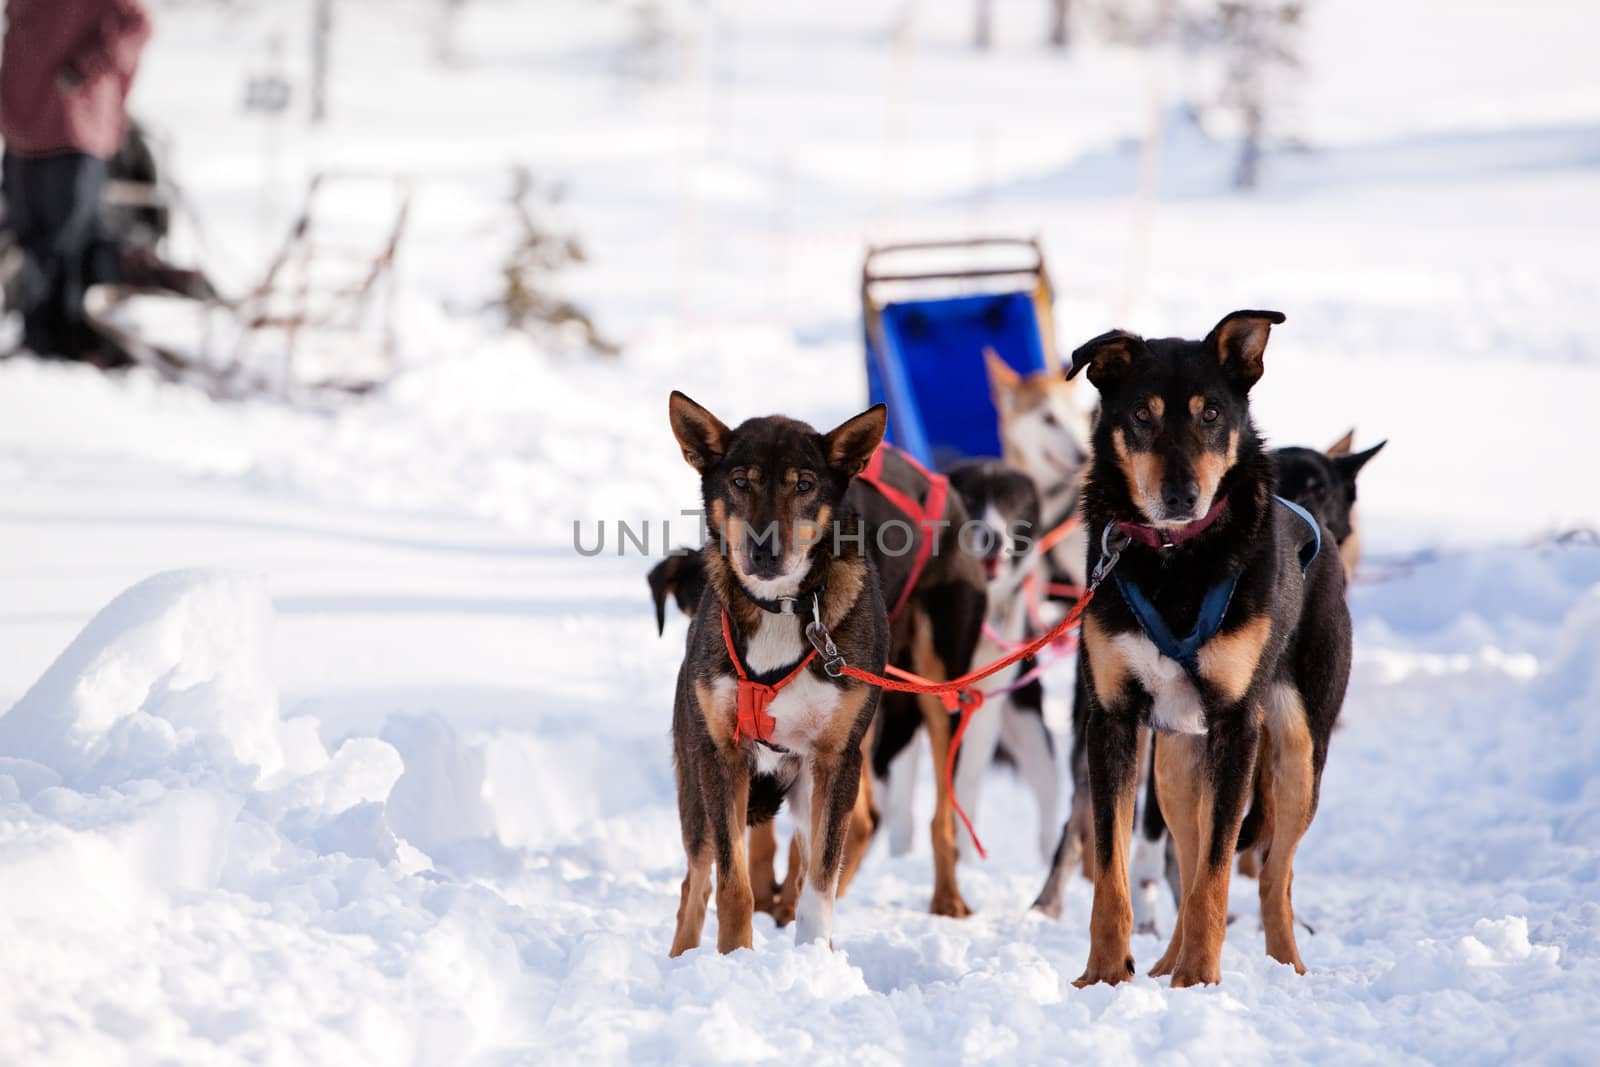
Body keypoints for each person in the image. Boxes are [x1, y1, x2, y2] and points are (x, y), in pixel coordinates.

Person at [0, 0, 152, 361]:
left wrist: (85, 67)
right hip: (22, 125)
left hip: (74, 127)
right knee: (26, 235)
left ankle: (70, 334)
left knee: (68, 237)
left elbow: (137, 25)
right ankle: (36, 331)